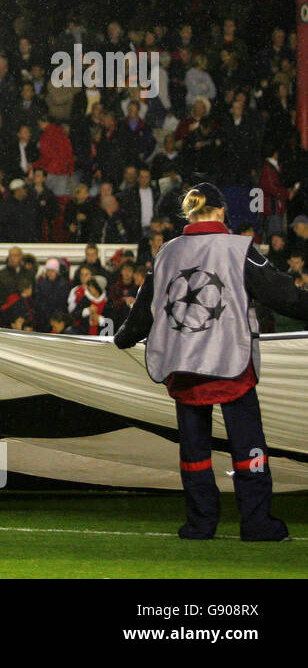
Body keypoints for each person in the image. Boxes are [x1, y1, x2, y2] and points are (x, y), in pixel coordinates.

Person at [114, 183, 308, 541]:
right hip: (229, 360)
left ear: (189, 214)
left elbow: (143, 311)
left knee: (194, 450)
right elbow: (284, 296)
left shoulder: (167, 252)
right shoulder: (238, 249)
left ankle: (200, 524)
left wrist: (122, 338)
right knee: (248, 443)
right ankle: (256, 523)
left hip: (182, 364)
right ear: (220, 212)